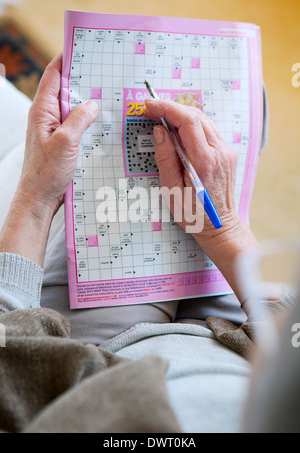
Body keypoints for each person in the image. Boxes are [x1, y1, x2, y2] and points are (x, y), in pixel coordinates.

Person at [0, 53, 297, 433]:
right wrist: (225, 228)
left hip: (97, 359)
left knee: (99, 142)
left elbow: (10, 362)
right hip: (243, 347)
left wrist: (35, 198)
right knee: (247, 96)